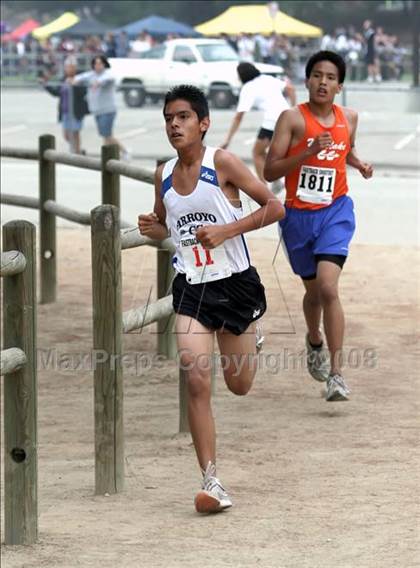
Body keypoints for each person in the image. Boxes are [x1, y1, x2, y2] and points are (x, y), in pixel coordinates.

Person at [138, 85, 284, 513]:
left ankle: (250, 334)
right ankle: (212, 480)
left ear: (203, 123)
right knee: (197, 379)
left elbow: (275, 208)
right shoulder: (162, 173)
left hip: (235, 284)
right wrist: (154, 228)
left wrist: (227, 230)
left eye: (183, 117)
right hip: (191, 289)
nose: (174, 125)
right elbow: (170, 226)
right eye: (169, 118)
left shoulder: (222, 162)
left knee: (239, 385)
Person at [264, 51, 373, 402]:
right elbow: (270, 171)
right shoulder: (292, 119)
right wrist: (307, 152)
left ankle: (337, 376)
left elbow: (345, 150)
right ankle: (314, 341)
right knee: (312, 293)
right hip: (297, 217)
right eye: (316, 75)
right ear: (306, 80)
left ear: (340, 86)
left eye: (330, 77)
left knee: (328, 288)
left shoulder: (350, 118)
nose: (322, 82)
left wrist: (359, 164)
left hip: (335, 211)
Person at [221, 62, 296, 193]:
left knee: (257, 153)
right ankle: (276, 181)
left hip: (273, 121)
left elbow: (239, 116)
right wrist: (294, 108)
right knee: (266, 153)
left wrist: (228, 139)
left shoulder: (248, 87)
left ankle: (264, 189)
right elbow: (290, 88)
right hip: (288, 117)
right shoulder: (267, 78)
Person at [71, 55, 128, 158]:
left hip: (108, 110)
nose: (97, 66)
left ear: (104, 64)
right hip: (97, 111)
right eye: (96, 63)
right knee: (105, 135)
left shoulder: (107, 75)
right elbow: (81, 77)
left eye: (100, 63)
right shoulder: (91, 75)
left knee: (107, 135)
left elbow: (108, 79)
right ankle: (116, 154)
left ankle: (120, 153)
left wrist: (98, 82)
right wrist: (74, 80)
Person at [41, 56, 89, 154]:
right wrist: (46, 85)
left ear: (75, 68)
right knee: (66, 134)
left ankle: (77, 151)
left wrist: (74, 84)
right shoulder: (63, 79)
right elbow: (57, 92)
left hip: (76, 111)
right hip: (65, 111)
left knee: (75, 132)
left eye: (71, 67)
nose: (69, 69)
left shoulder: (80, 78)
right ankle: (77, 149)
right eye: (67, 67)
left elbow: (83, 92)